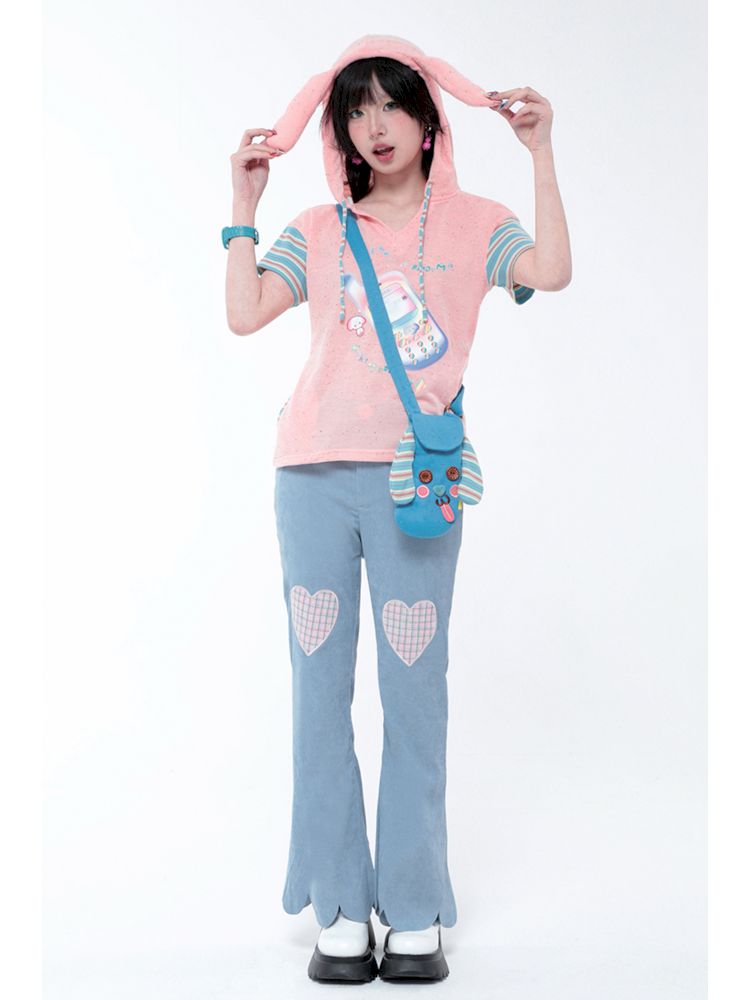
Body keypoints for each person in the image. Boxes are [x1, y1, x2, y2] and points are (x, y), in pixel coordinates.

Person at [224, 34, 571, 984]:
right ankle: (339, 906)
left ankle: (414, 910)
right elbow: (245, 313)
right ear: (339, 133)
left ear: (428, 122)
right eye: (356, 112)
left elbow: (549, 270)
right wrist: (243, 209)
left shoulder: (477, 222)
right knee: (319, 697)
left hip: (418, 483)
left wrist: (540, 152)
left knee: (416, 695)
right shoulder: (317, 227)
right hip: (310, 480)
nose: (375, 126)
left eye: (391, 106)